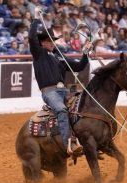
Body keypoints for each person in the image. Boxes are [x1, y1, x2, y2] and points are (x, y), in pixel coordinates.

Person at [29, 7, 92, 155]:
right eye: (48, 41)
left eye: (53, 41)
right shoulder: (39, 54)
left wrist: (85, 52)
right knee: (62, 110)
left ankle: (88, 139)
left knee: (83, 102)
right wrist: (36, 19)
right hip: (50, 92)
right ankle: (67, 144)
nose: (52, 43)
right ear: (42, 43)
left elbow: (80, 65)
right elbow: (32, 38)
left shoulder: (59, 57)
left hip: (63, 90)